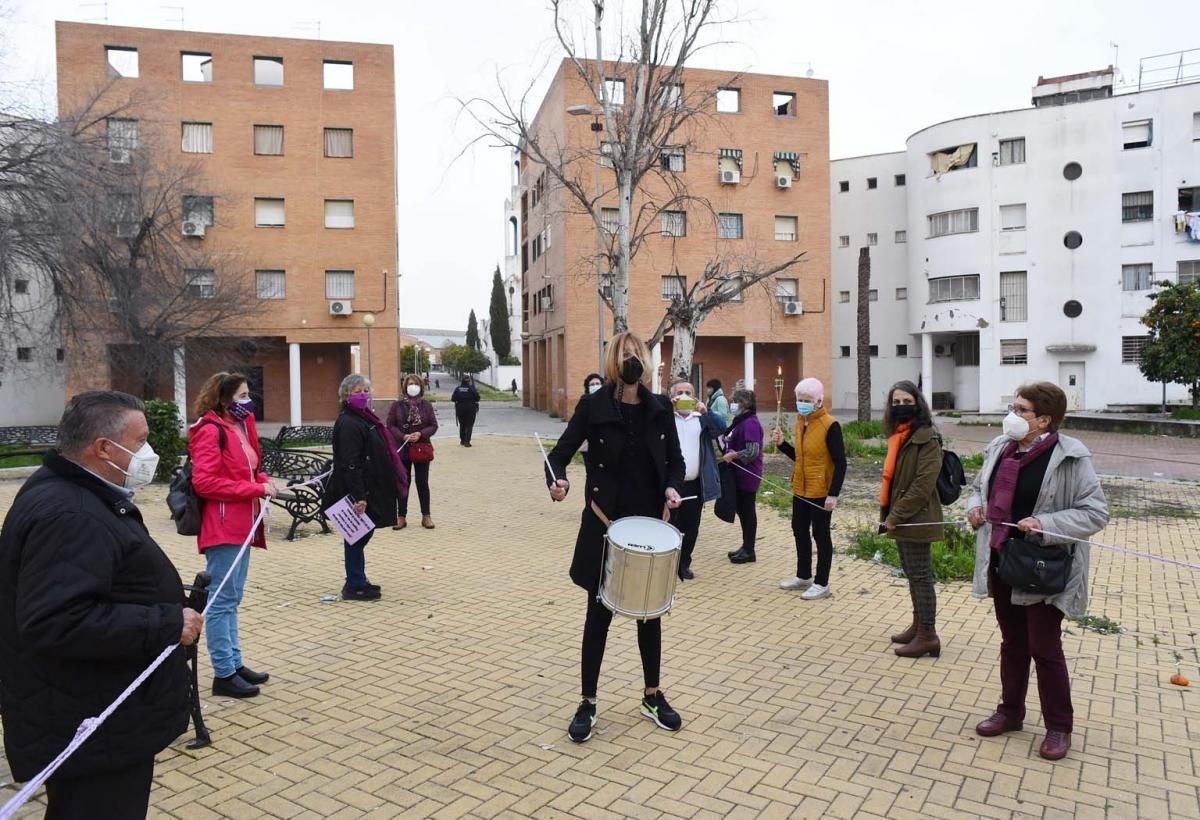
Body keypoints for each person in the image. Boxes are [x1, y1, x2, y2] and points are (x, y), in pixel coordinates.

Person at [0, 391, 202, 817]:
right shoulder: (71, 513)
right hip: (90, 720)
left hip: (94, 712)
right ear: (104, 448)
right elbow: (58, 620)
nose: (150, 452)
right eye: (141, 440)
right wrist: (166, 622)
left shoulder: (77, 491)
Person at [545, 331, 685, 744]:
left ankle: (652, 695)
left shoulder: (660, 407)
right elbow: (559, 455)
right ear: (613, 361)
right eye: (625, 355)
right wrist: (559, 482)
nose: (631, 360)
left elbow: (675, 461)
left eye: (637, 354)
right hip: (605, 525)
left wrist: (673, 487)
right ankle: (587, 702)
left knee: (650, 615)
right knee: (598, 616)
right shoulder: (593, 406)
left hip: (649, 527)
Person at [967, 382, 1108, 761]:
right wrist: (975, 507)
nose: (1012, 415)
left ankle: (1059, 727)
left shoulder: (1071, 458)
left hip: (1045, 567)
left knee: (1044, 648)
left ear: (1044, 420)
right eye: (1012, 407)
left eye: (1021, 410)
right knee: (1012, 643)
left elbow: (1095, 513)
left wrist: (1045, 522)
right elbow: (978, 488)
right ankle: (1010, 712)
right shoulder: (1000, 448)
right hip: (1003, 559)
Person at [189, 372, 276, 698]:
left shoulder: (240, 426)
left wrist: (264, 480)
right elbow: (205, 482)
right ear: (223, 399)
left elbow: (252, 467)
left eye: (247, 395)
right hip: (223, 525)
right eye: (241, 396)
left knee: (232, 598)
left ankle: (234, 663)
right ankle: (223, 673)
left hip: (244, 521)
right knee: (221, 600)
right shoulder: (209, 430)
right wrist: (255, 487)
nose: (247, 401)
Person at [324, 375, 407, 600]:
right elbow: (350, 463)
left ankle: (357, 578)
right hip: (360, 491)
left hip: (371, 487)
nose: (362, 395)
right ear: (346, 395)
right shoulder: (350, 422)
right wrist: (359, 496)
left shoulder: (364, 418)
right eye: (357, 391)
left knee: (361, 534)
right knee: (357, 536)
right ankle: (355, 584)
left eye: (365, 390)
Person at [879, 380, 944, 659]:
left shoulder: (927, 437)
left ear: (918, 403)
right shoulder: (901, 435)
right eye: (896, 403)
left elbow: (922, 484)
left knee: (921, 575)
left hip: (917, 517)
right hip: (903, 515)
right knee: (911, 573)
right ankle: (918, 625)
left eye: (907, 402)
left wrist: (895, 515)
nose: (901, 407)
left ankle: (928, 635)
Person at [771, 377, 847, 600]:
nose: (802, 403)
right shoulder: (800, 422)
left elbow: (841, 461)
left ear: (819, 401)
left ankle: (822, 583)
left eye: (806, 400)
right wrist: (782, 444)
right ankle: (803, 575)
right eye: (799, 399)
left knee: (821, 535)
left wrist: (833, 493)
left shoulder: (829, 425)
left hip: (822, 490)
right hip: (800, 488)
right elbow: (802, 458)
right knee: (799, 530)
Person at [667, 378, 723, 580]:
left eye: (688, 393)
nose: (684, 396)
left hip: (694, 484)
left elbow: (721, 431)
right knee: (669, 524)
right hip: (671, 484)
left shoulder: (701, 419)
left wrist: (707, 412)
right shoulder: (667, 418)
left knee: (691, 526)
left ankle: (684, 563)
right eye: (679, 392)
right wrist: (667, 408)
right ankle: (667, 564)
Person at [387, 373, 439, 530]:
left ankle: (426, 516)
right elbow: (390, 425)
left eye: (415, 384)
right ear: (405, 386)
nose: (413, 387)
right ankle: (401, 516)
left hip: (421, 448)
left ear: (421, 387)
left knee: (422, 483)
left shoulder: (426, 406)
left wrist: (421, 434)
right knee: (404, 482)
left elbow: (433, 425)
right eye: (410, 384)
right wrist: (403, 436)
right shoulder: (397, 406)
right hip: (403, 449)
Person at [724, 388, 764, 564]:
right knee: (742, 511)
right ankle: (745, 545)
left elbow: (752, 451)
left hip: (748, 474)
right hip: (737, 473)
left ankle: (750, 550)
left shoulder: (751, 423)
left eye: (733, 401)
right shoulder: (740, 421)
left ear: (743, 404)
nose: (731, 405)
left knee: (748, 512)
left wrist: (734, 455)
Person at [450, 375, 481, 447]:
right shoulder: (472, 388)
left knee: (462, 424)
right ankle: (467, 442)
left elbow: (453, 399)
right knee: (469, 425)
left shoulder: (458, 388)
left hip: (460, 408)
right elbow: (478, 398)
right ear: (468, 381)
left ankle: (462, 440)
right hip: (470, 408)